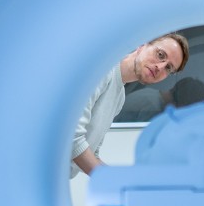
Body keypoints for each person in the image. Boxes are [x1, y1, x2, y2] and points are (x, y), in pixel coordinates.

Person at [71, 32, 189, 177]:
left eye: (169, 68)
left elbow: (93, 152)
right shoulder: (101, 70)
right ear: (142, 45)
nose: (160, 67)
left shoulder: (119, 97)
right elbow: (71, 137)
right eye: (160, 55)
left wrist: (128, 179)